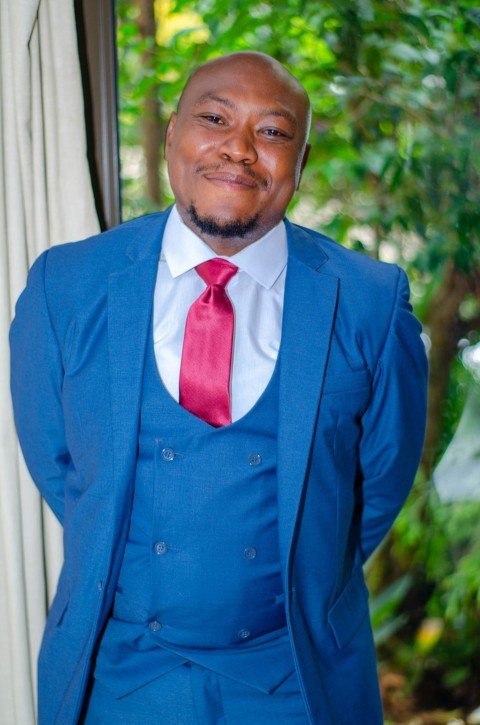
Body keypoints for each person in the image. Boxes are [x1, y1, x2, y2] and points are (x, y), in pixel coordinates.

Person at [10, 51, 428, 725]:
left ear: (300, 160)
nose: (238, 149)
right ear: (173, 132)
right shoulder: (66, 285)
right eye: (214, 118)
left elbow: (375, 488)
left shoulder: (371, 303)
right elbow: (62, 468)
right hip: (116, 683)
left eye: (272, 131)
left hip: (294, 686)